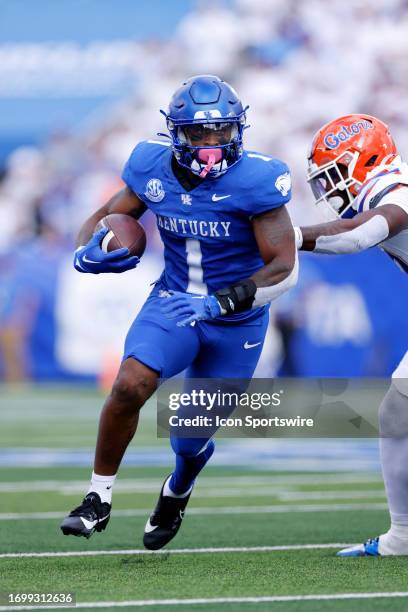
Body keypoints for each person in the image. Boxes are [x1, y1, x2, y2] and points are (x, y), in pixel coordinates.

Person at [60, 75, 298, 549]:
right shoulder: (151, 165)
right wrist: (86, 251)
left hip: (236, 319)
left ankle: (178, 488)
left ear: (238, 131)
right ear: (176, 134)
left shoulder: (257, 180)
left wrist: (220, 301)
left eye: (222, 134)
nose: (212, 145)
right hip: (173, 301)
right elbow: (102, 218)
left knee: (188, 439)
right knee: (130, 383)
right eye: (199, 135)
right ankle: (97, 497)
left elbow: (283, 266)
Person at [294, 113, 408, 556]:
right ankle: (402, 537)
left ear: (364, 160)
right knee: (398, 413)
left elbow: (356, 237)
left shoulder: (396, 191)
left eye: (334, 175)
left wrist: (290, 236)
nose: (331, 190)